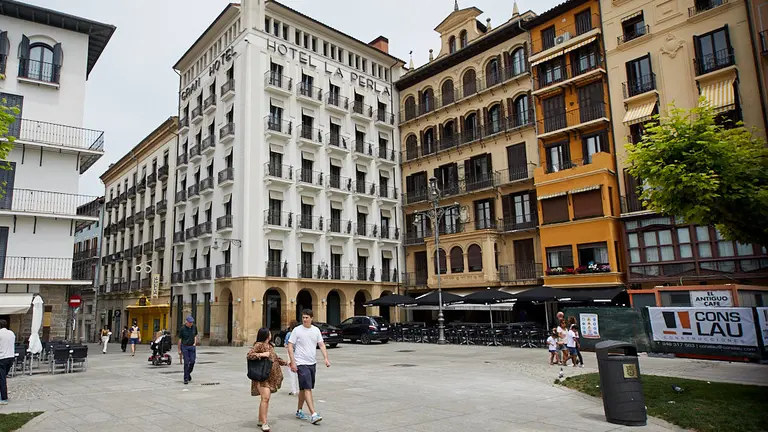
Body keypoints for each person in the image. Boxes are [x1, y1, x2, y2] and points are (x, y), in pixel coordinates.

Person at [287, 309, 330, 425]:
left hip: (312, 363)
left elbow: (321, 344)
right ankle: (313, 414)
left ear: (312, 318)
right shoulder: (297, 330)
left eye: (307, 317)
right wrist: (293, 362)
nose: (305, 320)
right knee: (307, 388)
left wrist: (326, 358)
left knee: (303, 388)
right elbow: (290, 346)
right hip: (301, 363)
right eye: (303, 317)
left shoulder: (316, 330)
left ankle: (299, 411)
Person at [248, 328, 289, 432]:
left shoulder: (270, 346)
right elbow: (249, 355)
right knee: (265, 398)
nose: (271, 334)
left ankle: (260, 419)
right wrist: (262, 354)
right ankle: (264, 423)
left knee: (265, 399)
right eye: (269, 333)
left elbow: (275, 358)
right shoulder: (259, 344)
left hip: (270, 376)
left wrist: (286, 363)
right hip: (263, 376)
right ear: (266, 335)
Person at [178, 316, 198, 385]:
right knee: (186, 362)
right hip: (185, 347)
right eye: (189, 322)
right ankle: (185, 378)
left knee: (192, 361)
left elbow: (195, 335)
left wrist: (195, 343)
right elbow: (180, 339)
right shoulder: (182, 329)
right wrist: (179, 349)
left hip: (192, 346)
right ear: (186, 322)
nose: (191, 324)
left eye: (192, 322)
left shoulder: (194, 327)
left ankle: (188, 373)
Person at [0, 320, 14, 405]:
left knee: (2, 378)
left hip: (2, 358)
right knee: (2, 376)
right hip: (10, 357)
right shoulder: (11, 333)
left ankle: (4, 398)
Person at [284, 320, 299, 396]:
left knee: (292, 373)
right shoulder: (299, 334)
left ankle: (294, 390)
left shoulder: (289, 334)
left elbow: (286, 345)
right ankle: (301, 389)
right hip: (299, 355)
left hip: (290, 354)